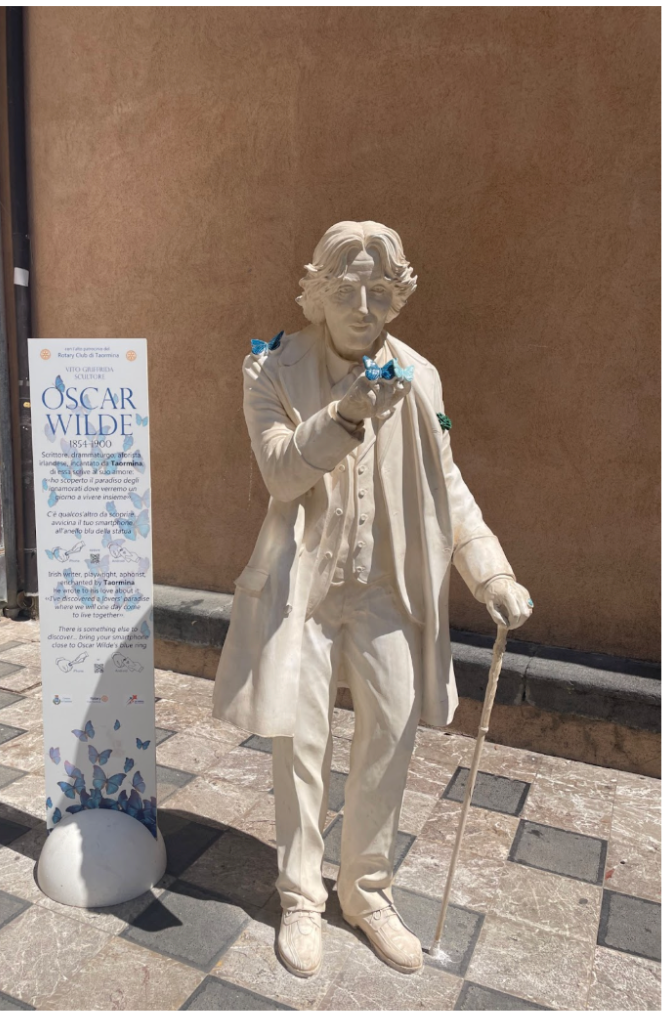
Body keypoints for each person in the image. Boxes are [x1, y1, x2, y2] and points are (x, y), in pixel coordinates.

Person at [212, 221, 532, 978]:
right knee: (301, 745)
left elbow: (447, 488)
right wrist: (349, 414)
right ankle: (299, 894)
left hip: (387, 592)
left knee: (389, 740)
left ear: (398, 298)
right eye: (347, 291)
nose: (364, 307)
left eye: (381, 293)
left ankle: (368, 892)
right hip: (306, 592)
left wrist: (491, 572)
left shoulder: (421, 377)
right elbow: (283, 472)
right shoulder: (271, 369)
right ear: (317, 294)